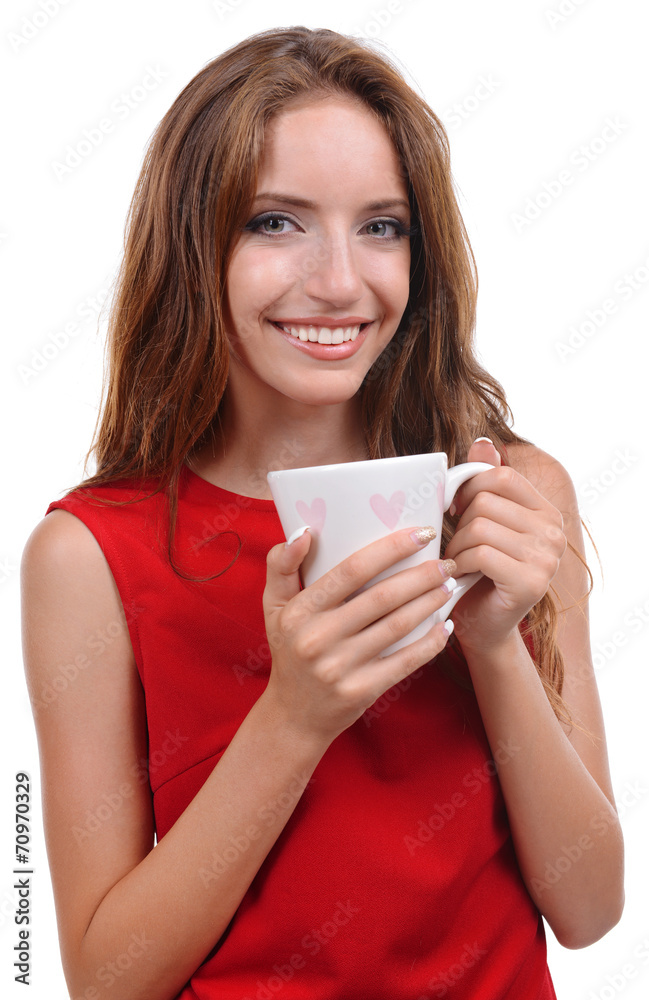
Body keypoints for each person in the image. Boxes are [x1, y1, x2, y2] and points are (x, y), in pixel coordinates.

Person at [21, 26, 624, 1000]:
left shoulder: (509, 492)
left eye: (381, 225)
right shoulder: (90, 553)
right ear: (194, 245)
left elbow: (591, 908)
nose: (340, 281)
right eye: (276, 222)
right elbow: (104, 978)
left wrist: (494, 644)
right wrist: (294, 717)